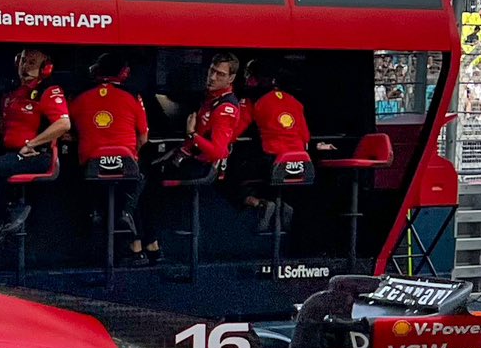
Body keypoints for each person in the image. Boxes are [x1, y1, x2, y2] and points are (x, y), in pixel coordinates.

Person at [133, 50, 247, 263]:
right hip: (190, 159)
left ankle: (145, 244)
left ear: (231, 78)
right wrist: (179, 151)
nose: (213, 77)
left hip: (204, 168)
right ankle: (148, 243)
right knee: (148, 175)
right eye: (212, 71)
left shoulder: (226, 107)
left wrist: (192, 135)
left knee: (147, 185)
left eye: (220, 74)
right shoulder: (210, 99)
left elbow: (218, 151)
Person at [0, 46, 70, 245]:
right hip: (11, 153)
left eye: (32, 63)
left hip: (37, 155)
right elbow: (3, 119)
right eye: (23, 61)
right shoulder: (13, 92)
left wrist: (32, 144)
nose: (25, 67)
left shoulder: (49, 91)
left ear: (46, 68)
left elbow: (63, 124)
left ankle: (7, 216)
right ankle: (10, 211)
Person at [70, 52, 150, 257]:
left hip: (90, 167)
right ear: (124, 73)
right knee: (136, 186)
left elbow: (69, 132)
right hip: (127, 166)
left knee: (95, 190)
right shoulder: (133, 95)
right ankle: (129, 222)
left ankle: (95, 214)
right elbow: (143, 138)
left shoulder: (78, 96)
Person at [241, 58, 313, 234]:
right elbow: (306, 136)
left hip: (271, 163)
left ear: (253, 79)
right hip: (302, 166)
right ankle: (282, 206)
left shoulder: (253, 100)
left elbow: (236, 130)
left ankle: (259, 203)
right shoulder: (294, 101)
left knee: (233, 175)